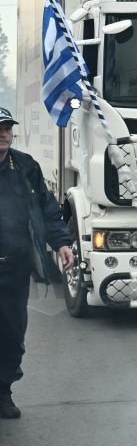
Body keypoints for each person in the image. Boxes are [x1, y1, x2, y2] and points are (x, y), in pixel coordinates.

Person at [0, 107, 76, 419]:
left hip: (14, 269)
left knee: (11, 333)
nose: (3, 134)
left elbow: (48, 208)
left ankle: (3, 391)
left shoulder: (25, 166)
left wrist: (61, 242)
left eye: (7, 128)